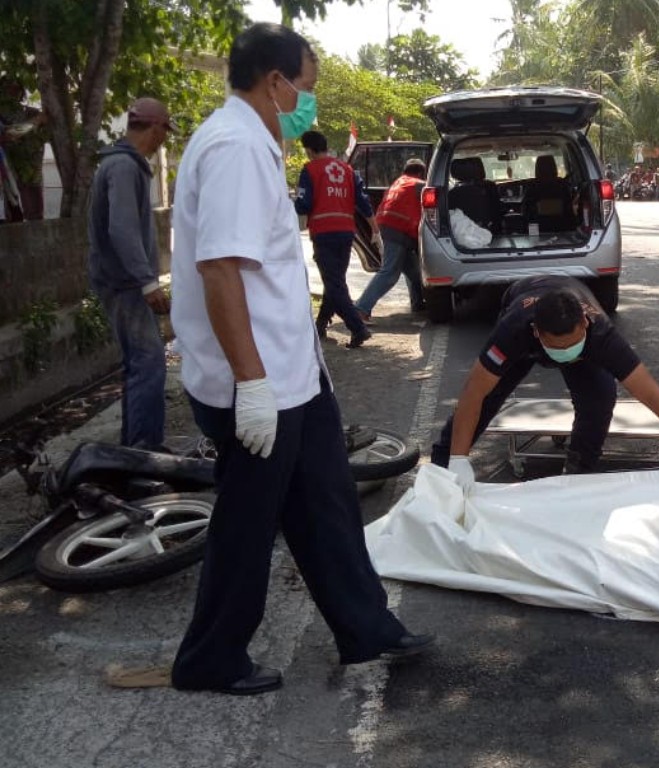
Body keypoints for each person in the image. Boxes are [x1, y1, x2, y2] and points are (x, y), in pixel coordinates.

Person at [169, 22, 433, 697]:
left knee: (326, 500)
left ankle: (365, 627)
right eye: (306, 86)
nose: (308, 100)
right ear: (274, 81)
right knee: (248, 521)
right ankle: (211, 657)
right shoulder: (232, 146)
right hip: (255, 381)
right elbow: (221, 271)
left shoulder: (256, 141)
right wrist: (252, 386)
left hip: (293, 375)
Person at [430, 275, 659, 485]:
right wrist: (458, 457)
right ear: (536, 332)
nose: (564, 354)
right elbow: (474, 392)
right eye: (556, 348)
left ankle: (580, 467)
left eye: (571, 345)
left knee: (600, 395)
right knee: (490, 397)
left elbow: (651, 394)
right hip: (522, 298)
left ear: (585, 324)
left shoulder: (601, 334)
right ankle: (442, 469)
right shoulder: (514, 330)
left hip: (575, 295)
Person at [86, 97, 174, 450]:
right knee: (149, 364)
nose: (164, 140)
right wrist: (147, 281)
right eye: (165, 131)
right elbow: (122, 229)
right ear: (155, 128)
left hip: (121, 281)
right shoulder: (123, 167)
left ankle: (136, 448)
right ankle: (143, 450)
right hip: (125, 283)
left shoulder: (121, 164)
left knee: (140, 365)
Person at [294, 129, 380, 347]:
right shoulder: (348, 170)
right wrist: (375, 230)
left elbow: (303, 204)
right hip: (345, 232)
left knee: (334, 283)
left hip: (323, 232)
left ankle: (357, 328)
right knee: (335, 282)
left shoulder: (310, 170)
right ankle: (321, 324)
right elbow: (363, 203)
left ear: (310, 150)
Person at [354, 158, 426, 320]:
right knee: (389, 273)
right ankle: (360, 308)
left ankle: (418, 304)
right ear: (421, 172)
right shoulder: (419, 185)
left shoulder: (398, 183)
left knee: (414, 272)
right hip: (398, 230)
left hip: (389, 227)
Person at [0, 79, 48, 221]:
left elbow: (46, 135)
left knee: (35, 215)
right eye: (7, 88)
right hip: (8, 170)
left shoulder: (31, 112)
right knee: (13, 216)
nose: (12, 92)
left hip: (32, 170)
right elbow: (9, 134)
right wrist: (36, 122)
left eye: (16, 88)